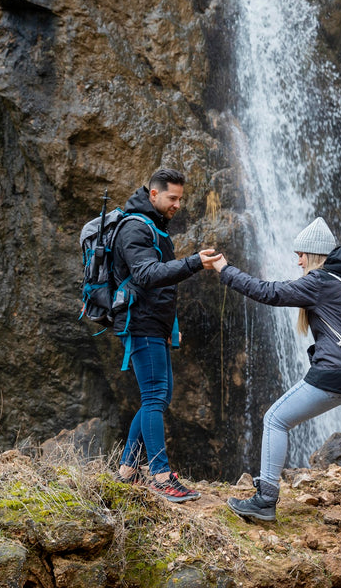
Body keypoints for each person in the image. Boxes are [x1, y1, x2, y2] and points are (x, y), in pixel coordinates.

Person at [205, 216, 341, 562]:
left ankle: (264, 499)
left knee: (275, 418)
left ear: (314, 255)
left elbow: (269, 292)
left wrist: (225, 270)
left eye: (301, 254)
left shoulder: (320, 281)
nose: (298, 261)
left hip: (338, 374)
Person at [112, 168, 220, 502]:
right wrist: (193, 264)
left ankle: (127, 472)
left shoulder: (154, 227)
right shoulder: (134, 228)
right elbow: (145, 275)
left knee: (157, 396)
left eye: (180, 199)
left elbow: (158, 286)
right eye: (172, 198)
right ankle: (160, 476)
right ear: (154, 194)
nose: (177, 205)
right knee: (156, 396)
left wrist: (171, 327)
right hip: (141, 324)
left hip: (154, 325)